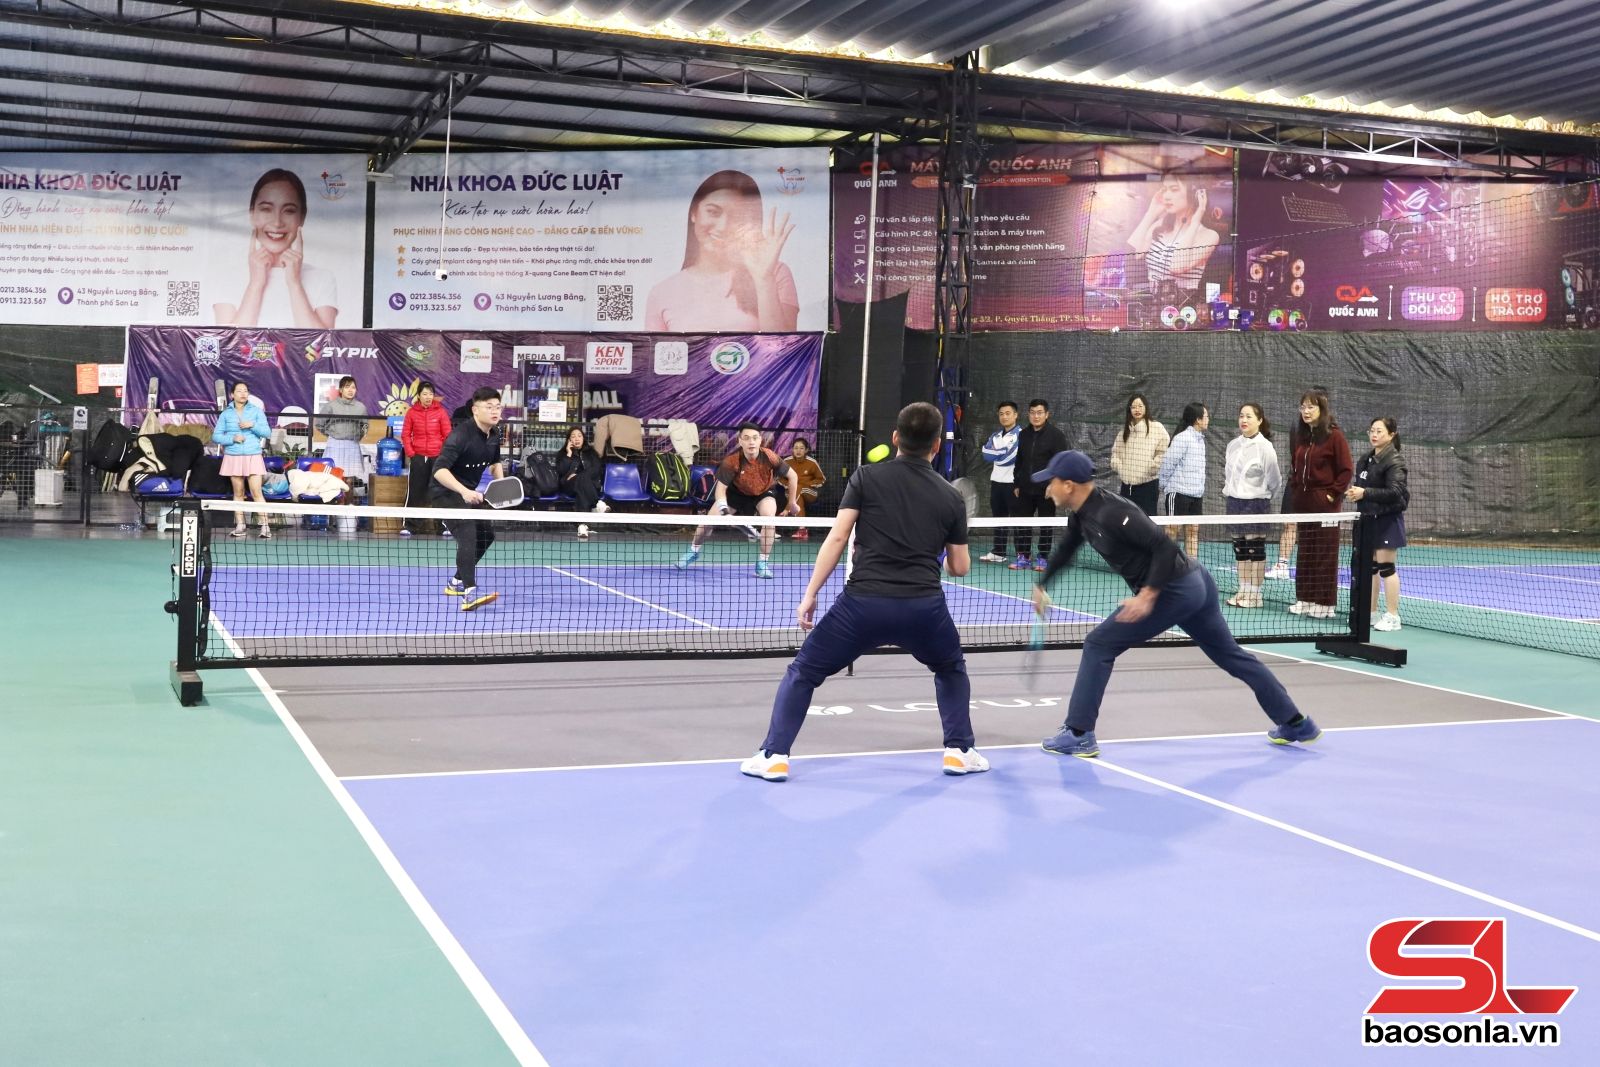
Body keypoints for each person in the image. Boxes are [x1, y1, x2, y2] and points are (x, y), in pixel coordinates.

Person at [740, 402, 987, 782]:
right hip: (924, 609)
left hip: (862, 607)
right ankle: (959, 751)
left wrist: (810, 594)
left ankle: (774, 756)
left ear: (895, 438)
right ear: (937, 444)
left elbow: (838, 537)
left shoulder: (866, 477)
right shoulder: (950, 497)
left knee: (803, 672)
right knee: (951, 669)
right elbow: (960, 567)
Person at [1028, 450, 1319, 757]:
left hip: (1175, 589)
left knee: (1098, 645)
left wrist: (1147, 595)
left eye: (1051, 481)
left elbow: (1164, 547)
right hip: (1193, 584)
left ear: (1069, 485)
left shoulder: (1112, 512)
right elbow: (1067, 548)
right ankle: (1295, 723)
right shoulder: (1081, 514)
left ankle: (1078, 733)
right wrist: (1042, 585)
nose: (1047, 489)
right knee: (1231, 656)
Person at [644, 170, 797, 332]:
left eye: (737, 217)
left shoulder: (774, 273)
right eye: (713, 212)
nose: (723, 227)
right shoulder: (662, 293)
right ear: (694, 213)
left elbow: (786, 346)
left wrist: (764, 280)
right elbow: (654, 349)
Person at [212, 168, 338, 328]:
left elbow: (323, 342)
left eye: (289, 211)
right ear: (252, 214)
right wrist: (256, 284)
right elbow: (229, 342)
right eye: (266, 209)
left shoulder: (322, 278)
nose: (277, 222)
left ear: (302, 217)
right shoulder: (226, 277)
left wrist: (294, 283)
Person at [676, 422, 800, 579]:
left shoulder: (770, 457)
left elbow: (793, 476)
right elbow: (720, 490)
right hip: (736, 493)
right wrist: (724, 509)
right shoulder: (732, 461)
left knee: (769, 520)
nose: (751, 442)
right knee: (708, 521)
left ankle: (762, 563)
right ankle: (693, 551)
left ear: (760, 440)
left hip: (762, 493)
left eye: (754, 438)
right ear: (740, 441)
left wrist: (791, 503)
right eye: (746, 438)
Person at [431, 387, 505, 612]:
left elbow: (495, 463)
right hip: (445, 492)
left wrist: (502, 486)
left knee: (486, 536)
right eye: (489, 407)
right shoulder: (460, 435)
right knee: (468, 534)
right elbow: (439, 470)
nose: (494, 411)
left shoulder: (494, 434)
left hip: (469, 493)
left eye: (497, 407)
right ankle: (469, 592)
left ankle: (455, 582)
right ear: (475, 410)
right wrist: (464, 491)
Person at [1288, 390, 1353, 618]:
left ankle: (1324, 604)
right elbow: (1295, 467)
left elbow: (1346, 470)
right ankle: (1305, 599)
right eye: (1303, 407)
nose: (1306, 411)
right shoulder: (1302, 436)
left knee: (1325, 553)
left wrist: (1331, 495)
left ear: (1322, 410)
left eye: (1311, 407)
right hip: (1304, 505)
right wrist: (1296, 489)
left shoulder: (1335, 436)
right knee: (1306, 552)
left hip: (1326, 507)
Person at [1346, 416, 1409, 632]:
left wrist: (1365, 493)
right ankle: (1370, 612)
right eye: (1372, 430)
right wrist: (1355, 493)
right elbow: (1362, 486)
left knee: (1386, 568)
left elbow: (1396, 492)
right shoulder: (1365, 459)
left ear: (1391, 435)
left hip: (1387, 519)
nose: (1374, 435)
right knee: (1370, 568)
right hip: (1367, 519)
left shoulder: (1395, 461)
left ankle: (1393, 616)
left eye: (1379, 431)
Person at [1222, 403, 1282, 609]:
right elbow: (1229, 476)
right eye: (1241, 416)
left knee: (1254, 550)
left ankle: (1255, 595)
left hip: (1256, 504)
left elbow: (1275, 480)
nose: (1244, 420)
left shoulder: (1265, 447)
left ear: (1259, 420)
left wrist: (1263, 497)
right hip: (1234, 503)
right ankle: (1243, 590)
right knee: (1240, 549)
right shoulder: (1232, 445)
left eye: (1249, 416)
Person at [1127, 171, 1222, 293]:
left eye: (1174, 189)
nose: (1166, 196)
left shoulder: (1209, 235)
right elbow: (1135, 254)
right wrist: (1151, 213)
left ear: (1193, 195)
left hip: (1183, 303)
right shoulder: (1161, 225)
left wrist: (1195, 223)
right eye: (1164, 190)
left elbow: (1176, 267)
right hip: (1152, 302)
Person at [1009, 399, 1069, 571]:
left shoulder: (1057, 436)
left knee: (1046, 525)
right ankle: (1024, 557)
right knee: (1023, 524)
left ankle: (1043, 557)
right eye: (1033, 412)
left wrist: (1053, 485)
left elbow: (1061, 463)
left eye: (1040, 412)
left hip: (1046, 491)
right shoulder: (1023, 434)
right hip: (1025, 489)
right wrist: (1017, 483)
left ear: (1047, 414)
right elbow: (1020, 460)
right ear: (1029, 414)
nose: (1036, 416)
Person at [212, 381, 272, 539]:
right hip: (234, 456)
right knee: (238, 492)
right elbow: (216, 436)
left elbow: (267, 432)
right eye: (239, 391)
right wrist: (232, 438)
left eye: (245, 391)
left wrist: (252, 425)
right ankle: (240, 525)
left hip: (253, 455)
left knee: (256, 492)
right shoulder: (226, 414)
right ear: (232, 395)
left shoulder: (256, 411)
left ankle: (265, 527)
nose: (243, 394)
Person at [400, 381, 451, 537]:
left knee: (440, 491)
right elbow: (405, 435)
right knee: (415, 492)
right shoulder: (411, 413)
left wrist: (443, 455)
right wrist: (411, 453)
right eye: (425, 394)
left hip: (438, 457)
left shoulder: (441, 412)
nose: (428, 397)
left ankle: (443, 526)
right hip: (418, 457)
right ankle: (410, 525)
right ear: (419, 396)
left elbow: (448, 435)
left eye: (431, 394)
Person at [1158, 401, 1209, 557]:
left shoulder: (1201, 441)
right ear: (1198, 419)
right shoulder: (1182, 438)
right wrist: (1163, 485)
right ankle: (1165, 564)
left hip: (1196, 495)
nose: (1208, 419)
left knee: (1193, 531)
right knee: (1172, 530)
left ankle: (1192, 566)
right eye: (1206, 416)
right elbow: (1168, 463)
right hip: (1178, 493)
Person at [1111, 393, 1170, 516]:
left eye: (1140, 406)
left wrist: (1152, 467)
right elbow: (1115, 454)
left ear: (1145, 407)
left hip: (1148, 486)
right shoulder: (1124, 433)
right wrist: (1121, 469)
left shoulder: (1156, 428)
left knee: (1147, 521)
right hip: (1127, 488)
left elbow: (1163, 452)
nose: (1137, 409)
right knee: (1126, 521)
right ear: (1129, 410)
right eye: (1133, 407)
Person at [978, 401, 1021, 563]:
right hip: (996, 483)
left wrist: (997, 453)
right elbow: (985, 454)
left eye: (1008, 413)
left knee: (1017, 520)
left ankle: (1021, 555)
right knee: (998, 518)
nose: (1004, 417)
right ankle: (999, 552)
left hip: (1013, 484)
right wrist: (1000, 452)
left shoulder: (1021, 435)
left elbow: (1009, 458)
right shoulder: (995, 436)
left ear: (1015, 415)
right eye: (1001, 414)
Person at [557, 425, 606, 538]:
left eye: (579, 436)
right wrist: (568, 454)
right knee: (581, 482)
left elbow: (596, 469)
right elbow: (561, 471)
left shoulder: (591, 453)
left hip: (589, 485)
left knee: (581, 486)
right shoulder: (563, 453)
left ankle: (582, 526)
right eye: (573, 436)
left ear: (583, 438)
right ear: (569, 440)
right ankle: (596, 503)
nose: (577, 438)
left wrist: (578, 475)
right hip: (569, 486)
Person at [318, 375, 367, 484]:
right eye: (347, 387)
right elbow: (319, 424)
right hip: (335, 443)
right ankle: (335, 496)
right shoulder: (331, 406)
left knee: (350, 479)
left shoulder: (361, 407)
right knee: (333, 477)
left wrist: (358, 435)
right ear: (340, 390)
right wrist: (332, 434)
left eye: (353, 387)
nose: (350, 390)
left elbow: (365, 425)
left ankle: (349, 496)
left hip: (352, 444)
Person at [785, 437, 827, 540]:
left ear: (806, 450)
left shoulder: (812, 462)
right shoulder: (786, 462)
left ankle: (788, 509)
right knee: (798, 495)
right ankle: (802, 530)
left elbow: (822, 479)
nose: (798, 451)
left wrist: (809, 483)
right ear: (792, 449)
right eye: (796, 448)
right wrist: (788, 485)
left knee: (800, 488)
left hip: (810, 492)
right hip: (791, 492)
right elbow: (779, 477)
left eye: (801, 448)